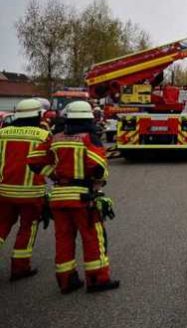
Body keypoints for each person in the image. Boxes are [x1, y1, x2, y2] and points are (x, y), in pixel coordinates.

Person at [31, 100, 119, 294]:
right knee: (92, 238)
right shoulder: (89, 138)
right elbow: (98, 168)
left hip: (58, 196)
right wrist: (98, 183)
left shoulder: (55, 138)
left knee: (63, 238)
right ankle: (97, 280)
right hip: (82, 198)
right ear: (89, 118)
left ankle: (66, 281)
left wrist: (53, 173)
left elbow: (34, 161)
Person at [0, 99, 51, 281]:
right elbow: (52, 162)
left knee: (1, 225)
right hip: (32, 193)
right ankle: (20, 268)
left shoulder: (2, 133)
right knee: (27, 228)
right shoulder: (43, 135)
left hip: (4, 191)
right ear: (38, 115)